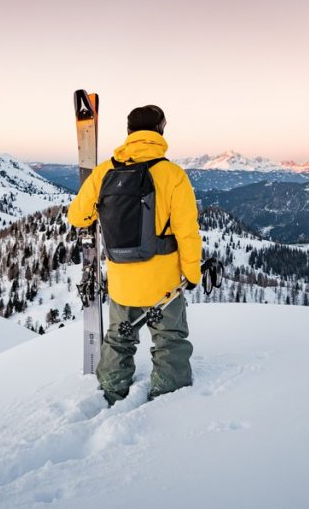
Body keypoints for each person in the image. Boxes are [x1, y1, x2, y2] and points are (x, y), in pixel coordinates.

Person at [67, 104, 202, 404]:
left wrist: (95, 214)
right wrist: (192, 274)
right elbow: (187, 232)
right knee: (169, 341)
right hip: (163, 284)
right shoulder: (172, 174)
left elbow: (77, 216)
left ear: (129, 132)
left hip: (122, 279)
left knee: (119, 339)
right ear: (161, 131)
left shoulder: (106, 171)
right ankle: (170, 400)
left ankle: (111, 392)